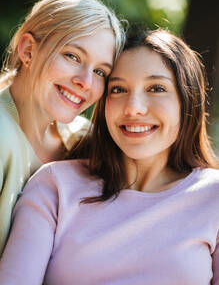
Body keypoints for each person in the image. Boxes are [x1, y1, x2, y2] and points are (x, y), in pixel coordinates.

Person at [0, 28, 219, 285]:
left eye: (156, 88)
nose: (133, 108)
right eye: (117, 90)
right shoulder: (55, 185)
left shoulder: (213, 196)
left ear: (187, 99)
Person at [0, 0, 125, 254]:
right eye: (73, 56)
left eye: (101, 71)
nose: (86, 82)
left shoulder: (85, 140)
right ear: (28, 50)